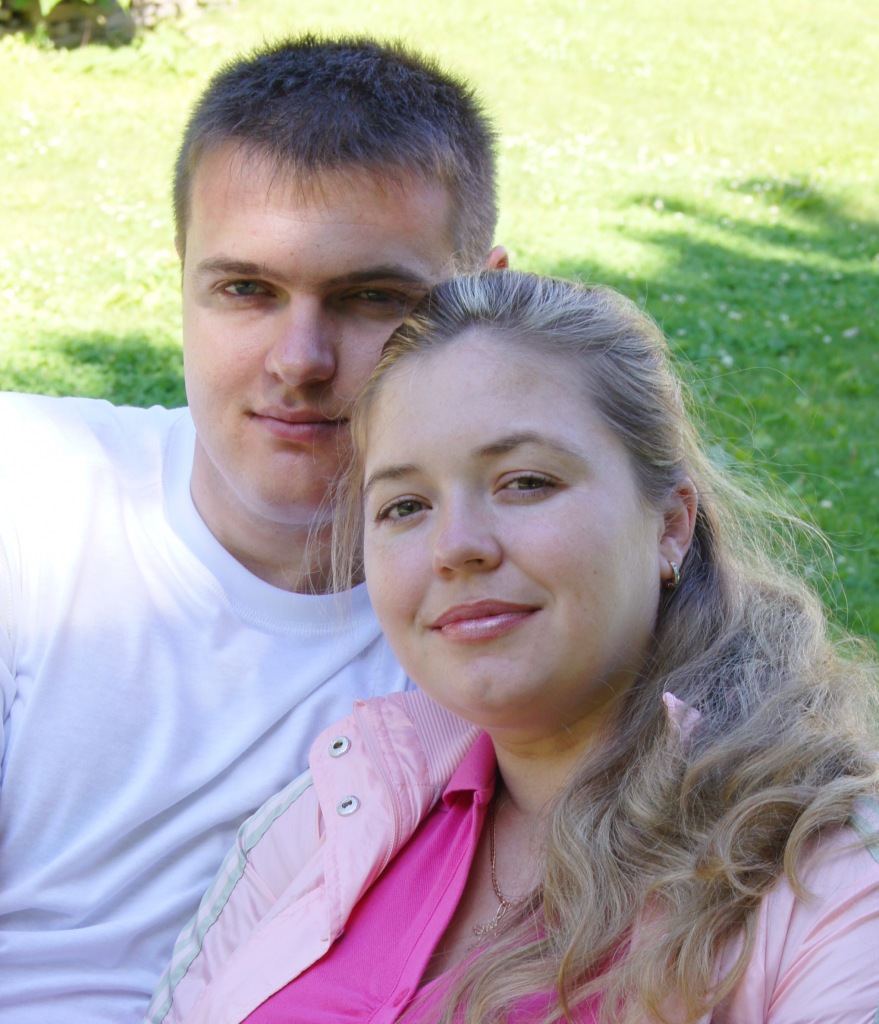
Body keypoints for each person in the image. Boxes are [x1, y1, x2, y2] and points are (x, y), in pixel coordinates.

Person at [149, 271, 879, 1024]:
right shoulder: (336, 807)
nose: (455, 546)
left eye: (525, 482)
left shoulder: (819, 870)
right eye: (405, 505)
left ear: (669, 525)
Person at [0, 37, 506, 1023]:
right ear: (182, 279)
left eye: (372, 298)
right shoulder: (29, 492)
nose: (300, 360)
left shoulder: (516, 611)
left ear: (480, 301)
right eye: (246, 289)